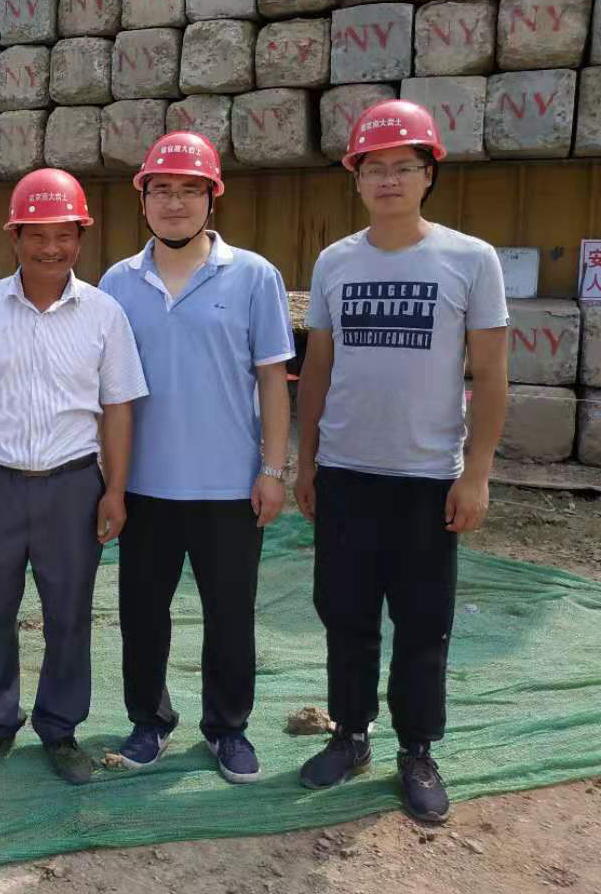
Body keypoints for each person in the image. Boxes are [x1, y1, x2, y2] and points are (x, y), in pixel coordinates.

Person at [294, 99, 509, 824]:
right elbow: (317, 369)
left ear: (428, 175)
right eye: (375, 168)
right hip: (347, 475)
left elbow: (492, 375)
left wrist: (476, 474)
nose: (389, 180)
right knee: (345, 614)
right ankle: (350, 735)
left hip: (427, 480)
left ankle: (416, 750)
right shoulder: (336, 261)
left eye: (404, 167)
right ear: (356, 178)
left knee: (422, 622)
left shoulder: (470, 260)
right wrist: (307, 462)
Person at [97, 132, 293, 785]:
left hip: (229, 487)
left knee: (230, 616)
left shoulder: (254, 276)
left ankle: (227, 728)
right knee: (142, 616)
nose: (174, 202)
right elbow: (107, 392)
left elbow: (272, 380)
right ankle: (149, 721)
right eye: (161, 190)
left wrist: (272, 469)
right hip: (144, 485)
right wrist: (111, 482)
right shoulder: (118, 283)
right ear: (143, 200)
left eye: (189, 190)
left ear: (213, 198)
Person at [0, 168, 147, 785]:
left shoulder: (104, 314)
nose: (51, 248)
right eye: (37, 235)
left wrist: (115, 489)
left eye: (64, 235)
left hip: (73, 485)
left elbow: (118, 406)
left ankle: (60, 729)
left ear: (81, 238)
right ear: (15, 237)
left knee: (69, 611)